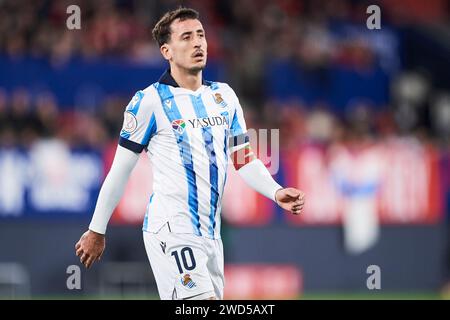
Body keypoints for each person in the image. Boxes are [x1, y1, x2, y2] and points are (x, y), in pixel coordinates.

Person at [75, 7, 305, 300]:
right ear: (166, 50)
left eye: (201, 35)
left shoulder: (224, 97)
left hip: (211, 234)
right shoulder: (148, 102)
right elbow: (120, 170)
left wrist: (276, 191)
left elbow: (243, 159)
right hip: (171, 228)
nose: (198, 43)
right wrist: (97, 229)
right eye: (186, 37)